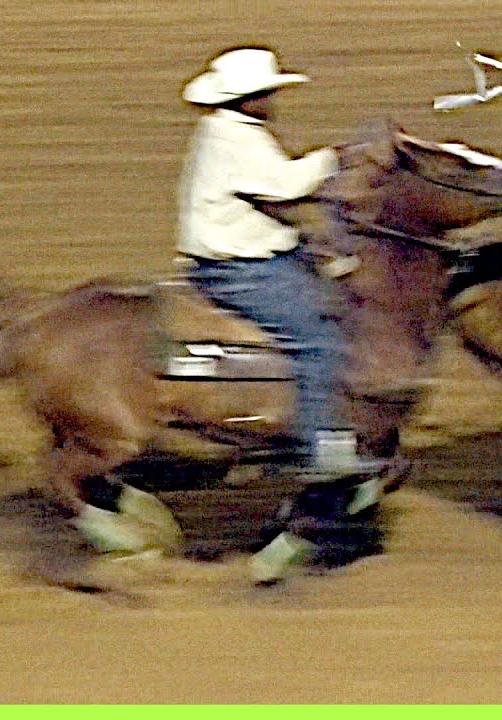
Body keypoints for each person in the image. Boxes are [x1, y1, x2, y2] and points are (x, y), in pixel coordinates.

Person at [177, 45, 383, 478]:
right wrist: (337, 156)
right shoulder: (236, 138)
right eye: (268, 92)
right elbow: (285, 186)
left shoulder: (226, 130)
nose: (273, 101)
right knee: (319, 339)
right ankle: (322, 447)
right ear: (248, 99)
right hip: (240, 270)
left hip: (252, 254)